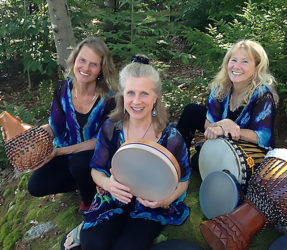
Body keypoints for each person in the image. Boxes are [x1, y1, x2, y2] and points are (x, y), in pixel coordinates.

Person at [62, 55, 191, 250]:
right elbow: (95, 169)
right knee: (93, 244)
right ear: (122, 95)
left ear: (155, 96)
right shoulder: (111, 128)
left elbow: (184, 179)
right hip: (113, 197)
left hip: (149, 207)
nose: (136, 101)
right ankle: (84, 229)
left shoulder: (171, 137)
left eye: (144, 94)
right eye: (131, 93)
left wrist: (167, 199)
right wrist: (108, 184)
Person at [26, 36, 117, 213]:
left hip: (96, 159)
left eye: (94, 64)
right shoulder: (62, 89)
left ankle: (90, 199)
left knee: (79, 163)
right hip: (66, 153)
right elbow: (54, 127)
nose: (86, 68)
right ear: (74, 59)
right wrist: (32, 136)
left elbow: (102, 141)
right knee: (35, 186)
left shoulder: (110, 100)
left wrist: (60, 151)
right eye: (82, 60)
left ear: (101, 69)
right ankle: (81, 182)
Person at [176, 39, 278, 169]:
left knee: (198, 162)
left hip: (250, 148)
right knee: (191, 111)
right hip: (225, 138)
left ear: (257, 67)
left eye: (245, 61)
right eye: (233, 60)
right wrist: (223, 124)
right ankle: (177, 158)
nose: (236, 66)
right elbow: (209, 124)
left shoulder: (262, 94)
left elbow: (263, 137)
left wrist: (228, 129)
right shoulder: (221, 87)